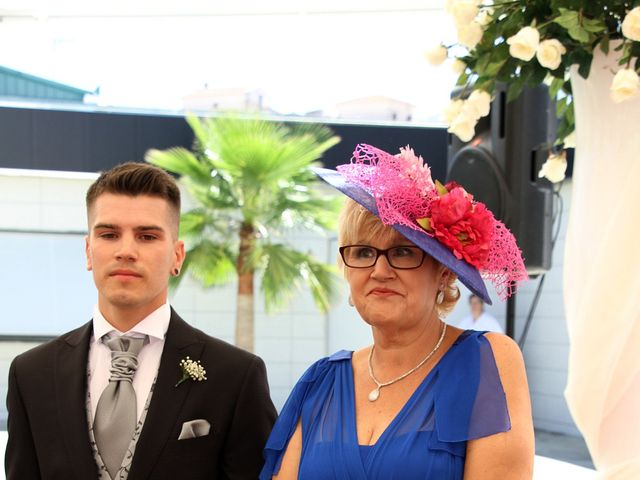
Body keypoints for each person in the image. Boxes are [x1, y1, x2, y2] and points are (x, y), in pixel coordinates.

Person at [260, 144, 534, 479]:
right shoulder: (320, 382)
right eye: (363, 252)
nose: (379, 270)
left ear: (444, 272)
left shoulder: (486, 361)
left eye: (403, 252)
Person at [6, 162, 277, 480]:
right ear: (88, 251)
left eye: (147, 236)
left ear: (177, 256)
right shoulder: (31, 374)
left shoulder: (235, 376)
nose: (126, 250)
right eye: (109, 234)